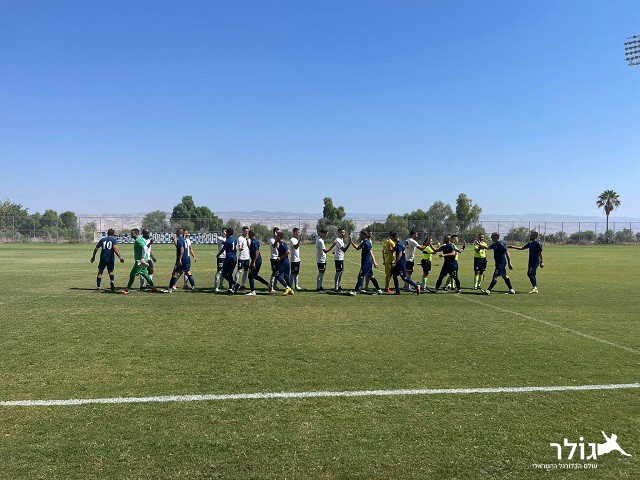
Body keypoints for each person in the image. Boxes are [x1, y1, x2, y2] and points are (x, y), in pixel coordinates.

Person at [120, 228, 156, 294]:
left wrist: (142, 258)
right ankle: (153, 287)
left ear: (136, 233)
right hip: (143, 260)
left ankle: (127, 289)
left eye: (132, 233)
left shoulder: (138, 240)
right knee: (144, 274)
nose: (131, 234)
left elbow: (145, 248)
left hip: (140, 261)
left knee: (132, 274)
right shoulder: (139, 239)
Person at [349, 230, 383, 295]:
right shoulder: (364, 242)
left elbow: (371, 253)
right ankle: (379, 290)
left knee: (360, 276)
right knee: (371, 277)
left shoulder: (367, 243)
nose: (360, 236)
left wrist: (374, 262)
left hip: (367, 263)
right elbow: (357, 248)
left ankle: (355, 291)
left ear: (364, 236)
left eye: (361, 235)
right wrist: (351, 242)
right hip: (366, 262)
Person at [167, 228, 196, 292]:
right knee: (188, 272)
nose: (176, 233)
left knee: (174, 273)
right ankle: (193, 287)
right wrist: (174, 240)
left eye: (176, 232)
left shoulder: (180, 240)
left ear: (179, 233)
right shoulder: (185, 240)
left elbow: (182, 249)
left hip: (182, 259)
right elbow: (179, 247)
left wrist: (179, 259)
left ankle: (170, 288)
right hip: (187, 259)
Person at [246, 230, 271, 295]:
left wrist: (254, 262)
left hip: (256, 261)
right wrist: (247, 242)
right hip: (257, 260)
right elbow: (252, 249)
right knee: (255, 276)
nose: (247, 235)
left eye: (248, 234)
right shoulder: (255, 241)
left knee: (250, 276)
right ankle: (267, 284)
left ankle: (253, 291)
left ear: (251, 235)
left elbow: (257, 251)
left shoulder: (254, 242)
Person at [217, 228, 239, 293]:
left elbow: (223, 249)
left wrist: (218, 254)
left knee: (223, 274)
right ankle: (230, 288)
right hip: (234, 258)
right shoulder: (235, 240)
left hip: (229, 259)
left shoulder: (228, 241)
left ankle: (235, 284)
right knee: (230, 274)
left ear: (228, 233)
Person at [315, 228, 334, 293]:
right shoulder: (320, 241)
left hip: (322, 259)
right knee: (320, 273)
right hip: (321, 259)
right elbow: (325, 251)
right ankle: (318, 288)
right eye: (326, 233)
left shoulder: (319, 238)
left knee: (322, 273)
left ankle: (320, 286)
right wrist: (332, 246)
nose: (326, 235)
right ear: (323, 233)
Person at [213, 228, 227, 292]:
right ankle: (215, 286)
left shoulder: (227, 238)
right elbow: (225, 243)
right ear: (222, 231)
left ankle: (221, 284)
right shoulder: (219, 238)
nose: (225, 232)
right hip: (221, 257)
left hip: (226, 257)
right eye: (224, 231)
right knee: (219, 271)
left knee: (223, 272)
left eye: (226, 231)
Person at [269, 227, 281, 291]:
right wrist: (277, 240)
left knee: (277, 272)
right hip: (273, 258)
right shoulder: (272, 239)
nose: (278, 233)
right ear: (274, 232)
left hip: (278, 257)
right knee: (274, 272)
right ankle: (271, 286)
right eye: (277, 232)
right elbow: (274, 246)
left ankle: (275, 285)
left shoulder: (278, 239)